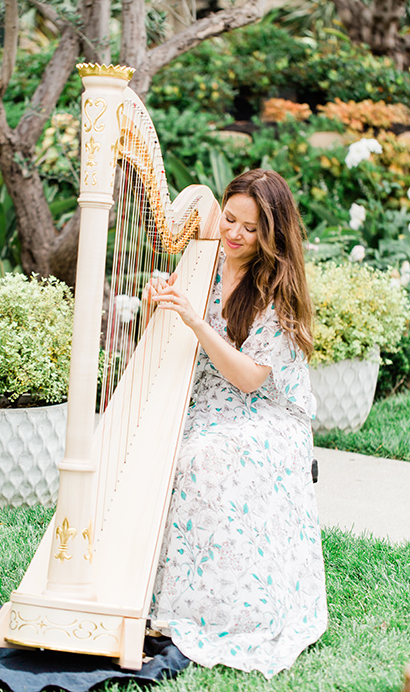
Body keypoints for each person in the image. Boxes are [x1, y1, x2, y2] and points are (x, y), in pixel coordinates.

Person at [146, 169, 327, 678]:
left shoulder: (278, 288)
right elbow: (167, 329)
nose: (233, 234)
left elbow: (249, 379)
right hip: (205, 400)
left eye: (250, 228)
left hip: (265, 414)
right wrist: (157, 298)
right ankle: (147, 591)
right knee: (161, 453)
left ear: (271, 233)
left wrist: (198, 322)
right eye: (229, 219)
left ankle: (221, 609)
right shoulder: (203, 261)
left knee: (204, 459)